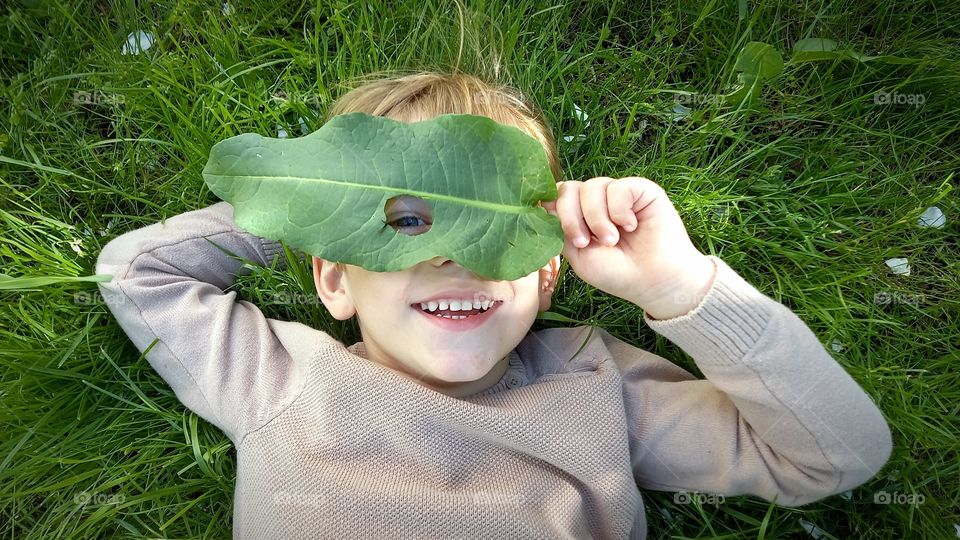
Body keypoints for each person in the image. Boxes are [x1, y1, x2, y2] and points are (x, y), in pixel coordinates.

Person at [95, 71, 892, 539]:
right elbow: (140, 273)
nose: (450, 253)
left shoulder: (590, 382)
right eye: (405, 222)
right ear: (334, 281)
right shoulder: (278, 379)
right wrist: (313, 202)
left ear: (548, 274)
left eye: (492, 220)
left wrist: (678, 287)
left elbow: (834, 456)